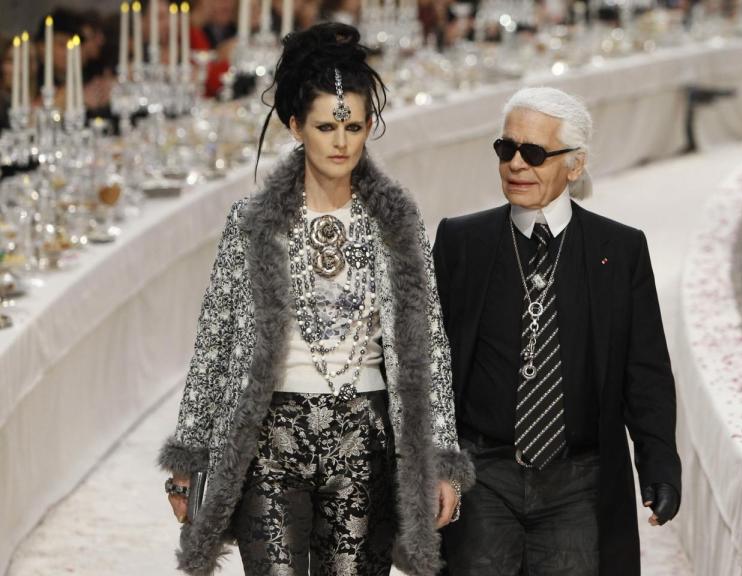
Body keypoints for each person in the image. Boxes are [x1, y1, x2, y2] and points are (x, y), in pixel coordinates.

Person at [158, 22, 473, 576]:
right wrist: (189, 458)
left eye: (353, 125)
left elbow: (428, 350)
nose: (341, 141)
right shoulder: (253, 223)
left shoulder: (395, 223)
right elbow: (216, 339)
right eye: (327, 126)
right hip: (268, 439)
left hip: (364, 438)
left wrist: (441, 459)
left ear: (369, 126)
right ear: (295, 125)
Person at [433, 87, 681, 576]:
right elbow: (429, 364)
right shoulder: (462, 241)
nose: (516, 165)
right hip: (483, 472)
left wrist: (658, 463)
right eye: (507, 149)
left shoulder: (620, 249)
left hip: (579, 479)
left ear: (575, 164)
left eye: (535, 153)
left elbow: (644, 368)